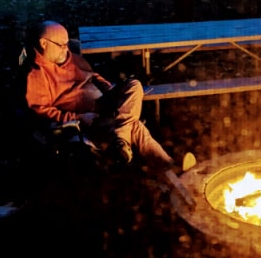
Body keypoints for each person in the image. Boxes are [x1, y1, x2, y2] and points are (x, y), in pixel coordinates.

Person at [24, 20, 174, 170]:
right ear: (44, 43)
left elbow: (92, 75)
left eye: (67, 44)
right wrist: (79, 117)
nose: (66, 49)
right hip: (89, 120)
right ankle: (168, 167)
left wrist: (108, 88)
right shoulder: (36, 75)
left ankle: (121, 140)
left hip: (104, 105)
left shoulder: (70, 58)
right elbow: (41, 112)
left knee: (134, 85)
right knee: (135, 126)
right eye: (61, 45)